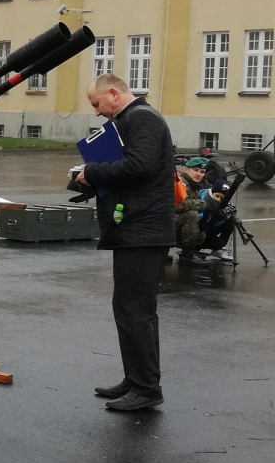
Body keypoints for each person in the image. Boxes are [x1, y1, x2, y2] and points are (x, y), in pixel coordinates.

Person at [76, 74, 175, 411]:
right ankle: (135, 380)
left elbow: (140, 166)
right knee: (130, 309)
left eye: (97, 104)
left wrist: (92, 172)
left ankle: (146, 389)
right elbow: (131, 171)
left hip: (143, 232)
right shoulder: (132, 119)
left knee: (137, 311)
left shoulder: (143, 119)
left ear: (114, 94)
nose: (96, 112)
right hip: (135, 229)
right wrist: (89, 180)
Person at [174, 157, 209, 260]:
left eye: (202, 172)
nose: (198, 174)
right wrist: (202, 204)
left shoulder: (193, 185)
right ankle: (187, 254)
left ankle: (191, 250)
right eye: (195, 170)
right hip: (161, 221)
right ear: (186, 169)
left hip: (169, 221)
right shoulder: (179, 182)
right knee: (191, 215)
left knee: (201, 233)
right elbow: (178, 205)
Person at [197, 178, 237, 260]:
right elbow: (199, 222)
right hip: (198, 230)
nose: (219, 200)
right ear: (212, 192)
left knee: (230, 222)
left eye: (222, 198)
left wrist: (227, 216)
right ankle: (194, 248)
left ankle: (217, 249)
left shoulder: (223, 203)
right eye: (217, 196)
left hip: (209, 228)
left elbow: (234, 214)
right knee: (218, 243)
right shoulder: (202, 198)